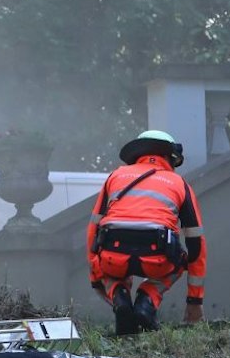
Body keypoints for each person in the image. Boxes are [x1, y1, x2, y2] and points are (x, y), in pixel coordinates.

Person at [85, 130, 206, 334]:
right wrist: (195, 300)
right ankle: (147, 301)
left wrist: (97, 274)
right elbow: (196, 245)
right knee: (183, 260)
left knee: (107, 264)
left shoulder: (115, 176)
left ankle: (120, 298)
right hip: (157, 261)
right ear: (169, 157)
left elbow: (93, 232)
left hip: (113, 257)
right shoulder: (179, 184)